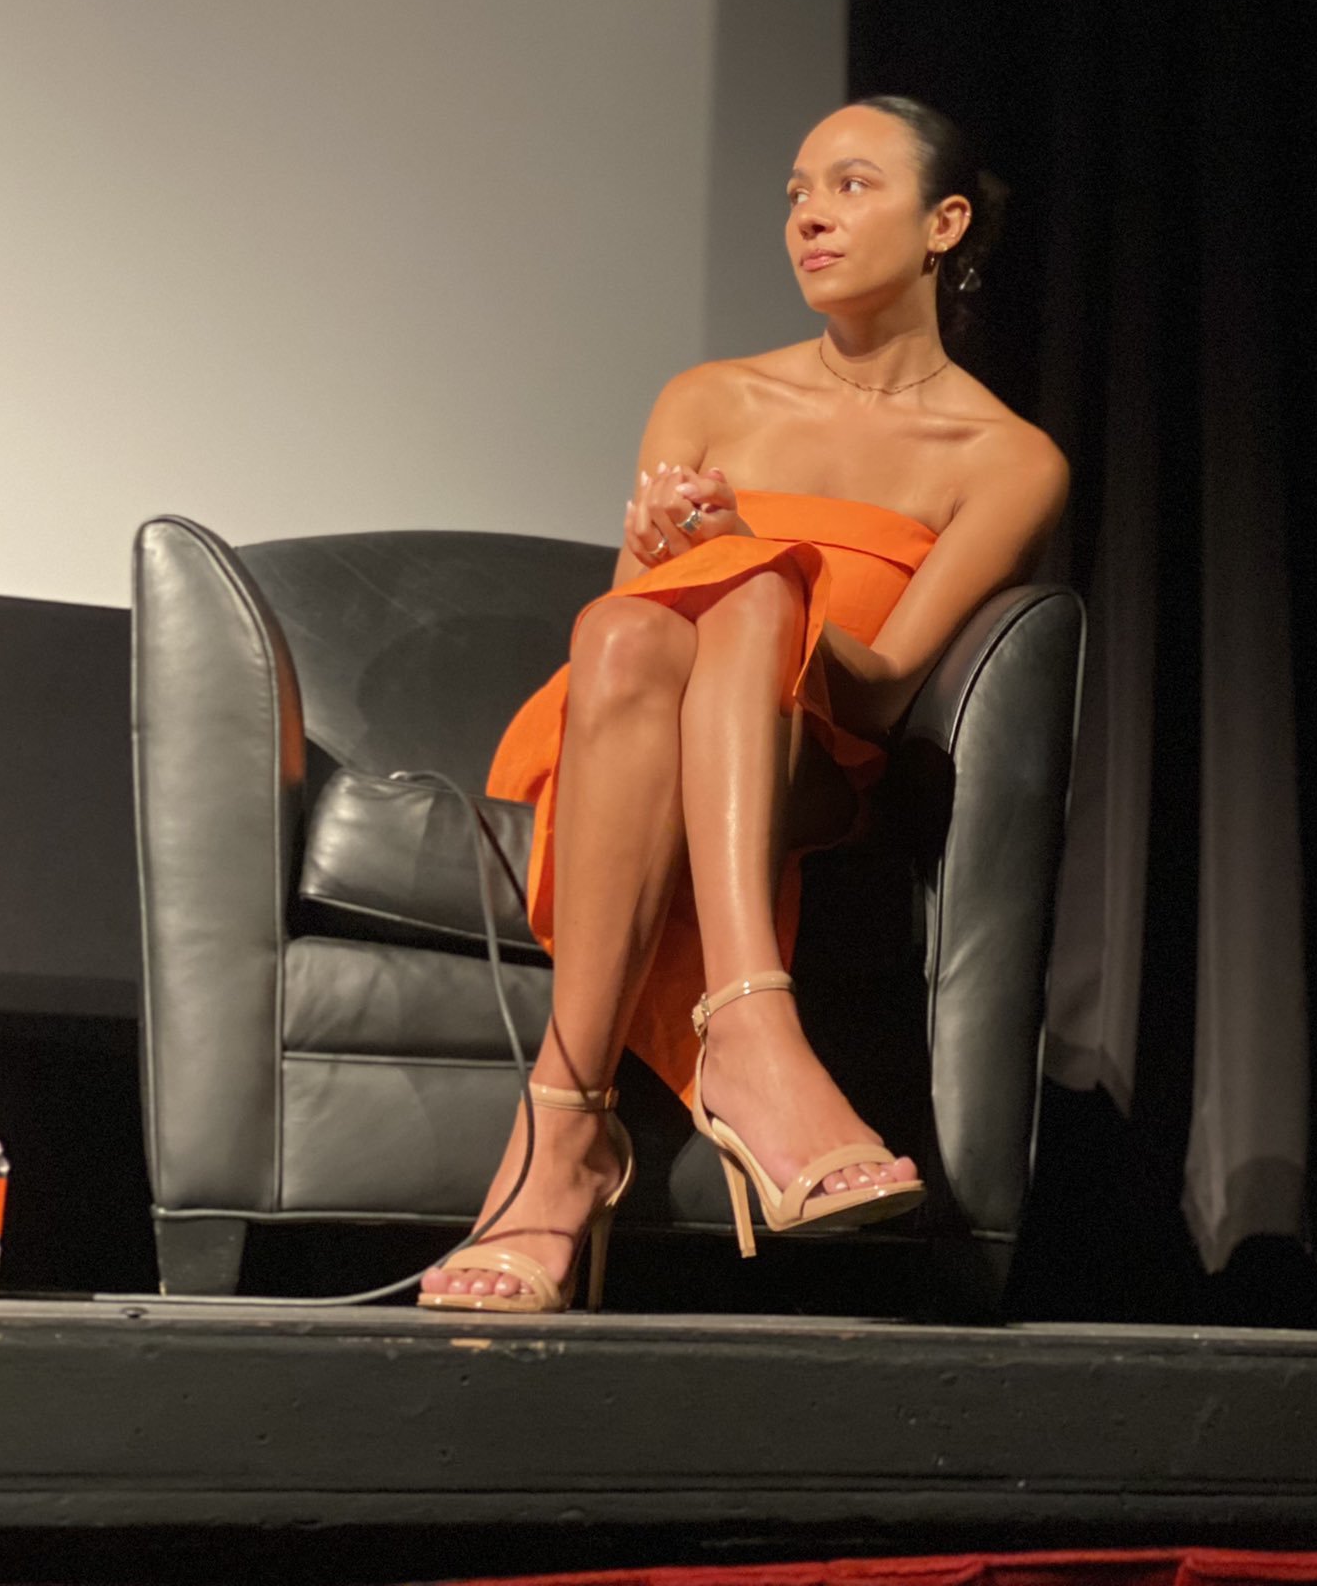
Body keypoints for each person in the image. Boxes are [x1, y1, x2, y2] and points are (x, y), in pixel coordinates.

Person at [418, 95, 1071, 1313]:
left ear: (944, 223)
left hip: (814, 753)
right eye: (796, 193)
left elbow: (888, 685)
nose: (811, 215)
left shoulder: (1007, 457)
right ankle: (749, 1033)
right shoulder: (710, 398)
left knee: (759, 584)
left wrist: (761, 570)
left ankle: (563, 1140)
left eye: (852, 185)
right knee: (645, 621)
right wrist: (702, 563)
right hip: (623, 730)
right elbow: (625, 631)